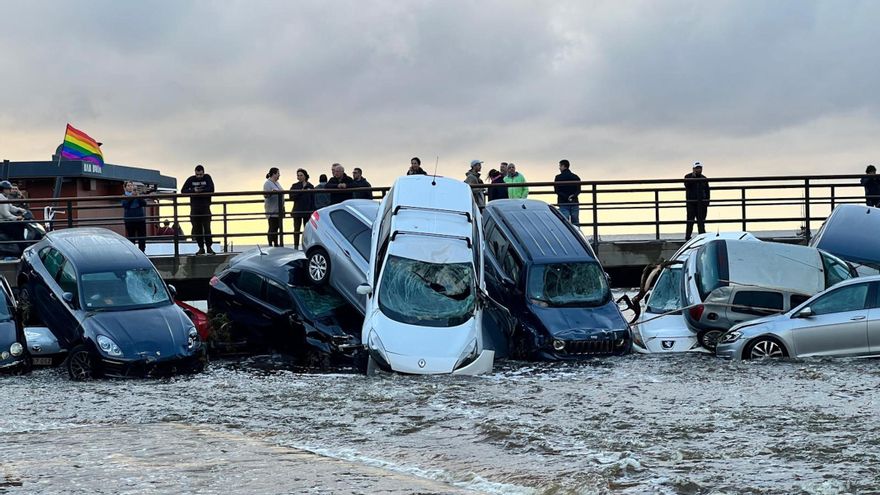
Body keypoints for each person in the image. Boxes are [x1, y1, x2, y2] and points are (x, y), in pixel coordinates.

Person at [181, 164, 216, 255]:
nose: (199, 176)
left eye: (201, 175)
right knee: (197, 229)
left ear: (203, 173)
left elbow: (211, 189)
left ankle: (209, 247)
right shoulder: (191, 179)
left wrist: (201, 191)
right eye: (197, 175)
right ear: (195, 173)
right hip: (194, 208)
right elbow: (183, 190)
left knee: (207, 228)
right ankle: (201, 247)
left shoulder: (207, 178)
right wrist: (194, 191)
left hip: (205, 207)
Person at [684, 161, 711, 240]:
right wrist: (693, 177)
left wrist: (707, 202)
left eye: (699, 168)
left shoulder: (704, 178)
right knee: (690, 221)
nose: (698, 170)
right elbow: (687, 185)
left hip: (702, 203)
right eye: (697, 168)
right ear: (693, 169)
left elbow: (707, 190)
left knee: (701, 222)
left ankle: (702, 237)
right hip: (691, 203)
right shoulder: (688, 177)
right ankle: (687, 237)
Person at [289, 168, 314, 248]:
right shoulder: (295, 186)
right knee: (296, 229)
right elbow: (291, 197)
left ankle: (307, 245)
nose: (299, 177)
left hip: (307, 211)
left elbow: (313, 199)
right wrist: (301, 191)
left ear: (305, 176)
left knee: (306, 230)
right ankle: (296, 246)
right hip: (297, 210)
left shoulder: (310, 186)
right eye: (298, 175)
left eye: (301, 175)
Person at [121, 180, 147, 251]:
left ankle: (142, 251)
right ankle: (133, 252)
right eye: (128, 186)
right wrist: (132, 196)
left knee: (142, 238)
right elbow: (126, 205)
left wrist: (138, 196)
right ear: (125, 188)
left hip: (140, 219)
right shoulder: (124, 196)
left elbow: (144, 203)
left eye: (131, 185)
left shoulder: (138, 195)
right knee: (131, 238)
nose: (130, 187)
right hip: (130, 220)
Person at [554, 159, 582, 225]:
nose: (559, 168)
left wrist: (565, 196)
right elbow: (578, 190)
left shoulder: (558, 177)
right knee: (575, 221)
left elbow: (556, 191)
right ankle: (577, 234)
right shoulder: (576, 177)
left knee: (564, 222)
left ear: (563, 166)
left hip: (563, 202)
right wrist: (573, 196)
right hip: (574, 201)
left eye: (560, 166)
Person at [264, 167, 285, 247]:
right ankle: (271, 244)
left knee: (277, 228)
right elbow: (266, 195)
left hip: (279, 210)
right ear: (273, 174)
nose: (279, 175)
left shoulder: (277, 183)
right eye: (278, 173)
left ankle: (276, 244)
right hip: (272, 211)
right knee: (272, 228)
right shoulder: (267, 183)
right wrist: (272, 192)